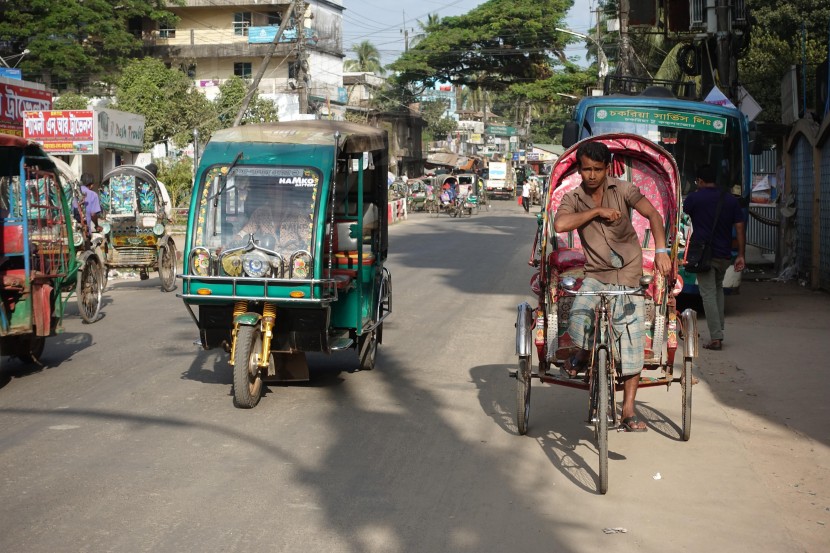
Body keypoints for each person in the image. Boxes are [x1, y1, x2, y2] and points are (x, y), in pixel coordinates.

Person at [553, 141, 672, 433]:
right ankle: (582, 353)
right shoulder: (574, 197)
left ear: (607, 168)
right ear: (579, 169)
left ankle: (628, 411)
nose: (591, 175)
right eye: (586, 169)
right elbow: (560, 225)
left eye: (597, 169)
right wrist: (595, 213)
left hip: (629, 273)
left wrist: (660, 251)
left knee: (631, 341)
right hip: (595, 273)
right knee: (579, 313)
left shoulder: (624, 190)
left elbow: (653, 216)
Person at [682, 164, 746, 351]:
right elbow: (740, 227)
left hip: (703, 255)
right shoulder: (730, 199)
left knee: (708, 294)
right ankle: (719, 329)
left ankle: (716, 337)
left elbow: (686, 213)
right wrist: (741, 255)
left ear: (700, 181)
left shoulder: (694, 198)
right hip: (724, 255)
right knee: (717, 289)